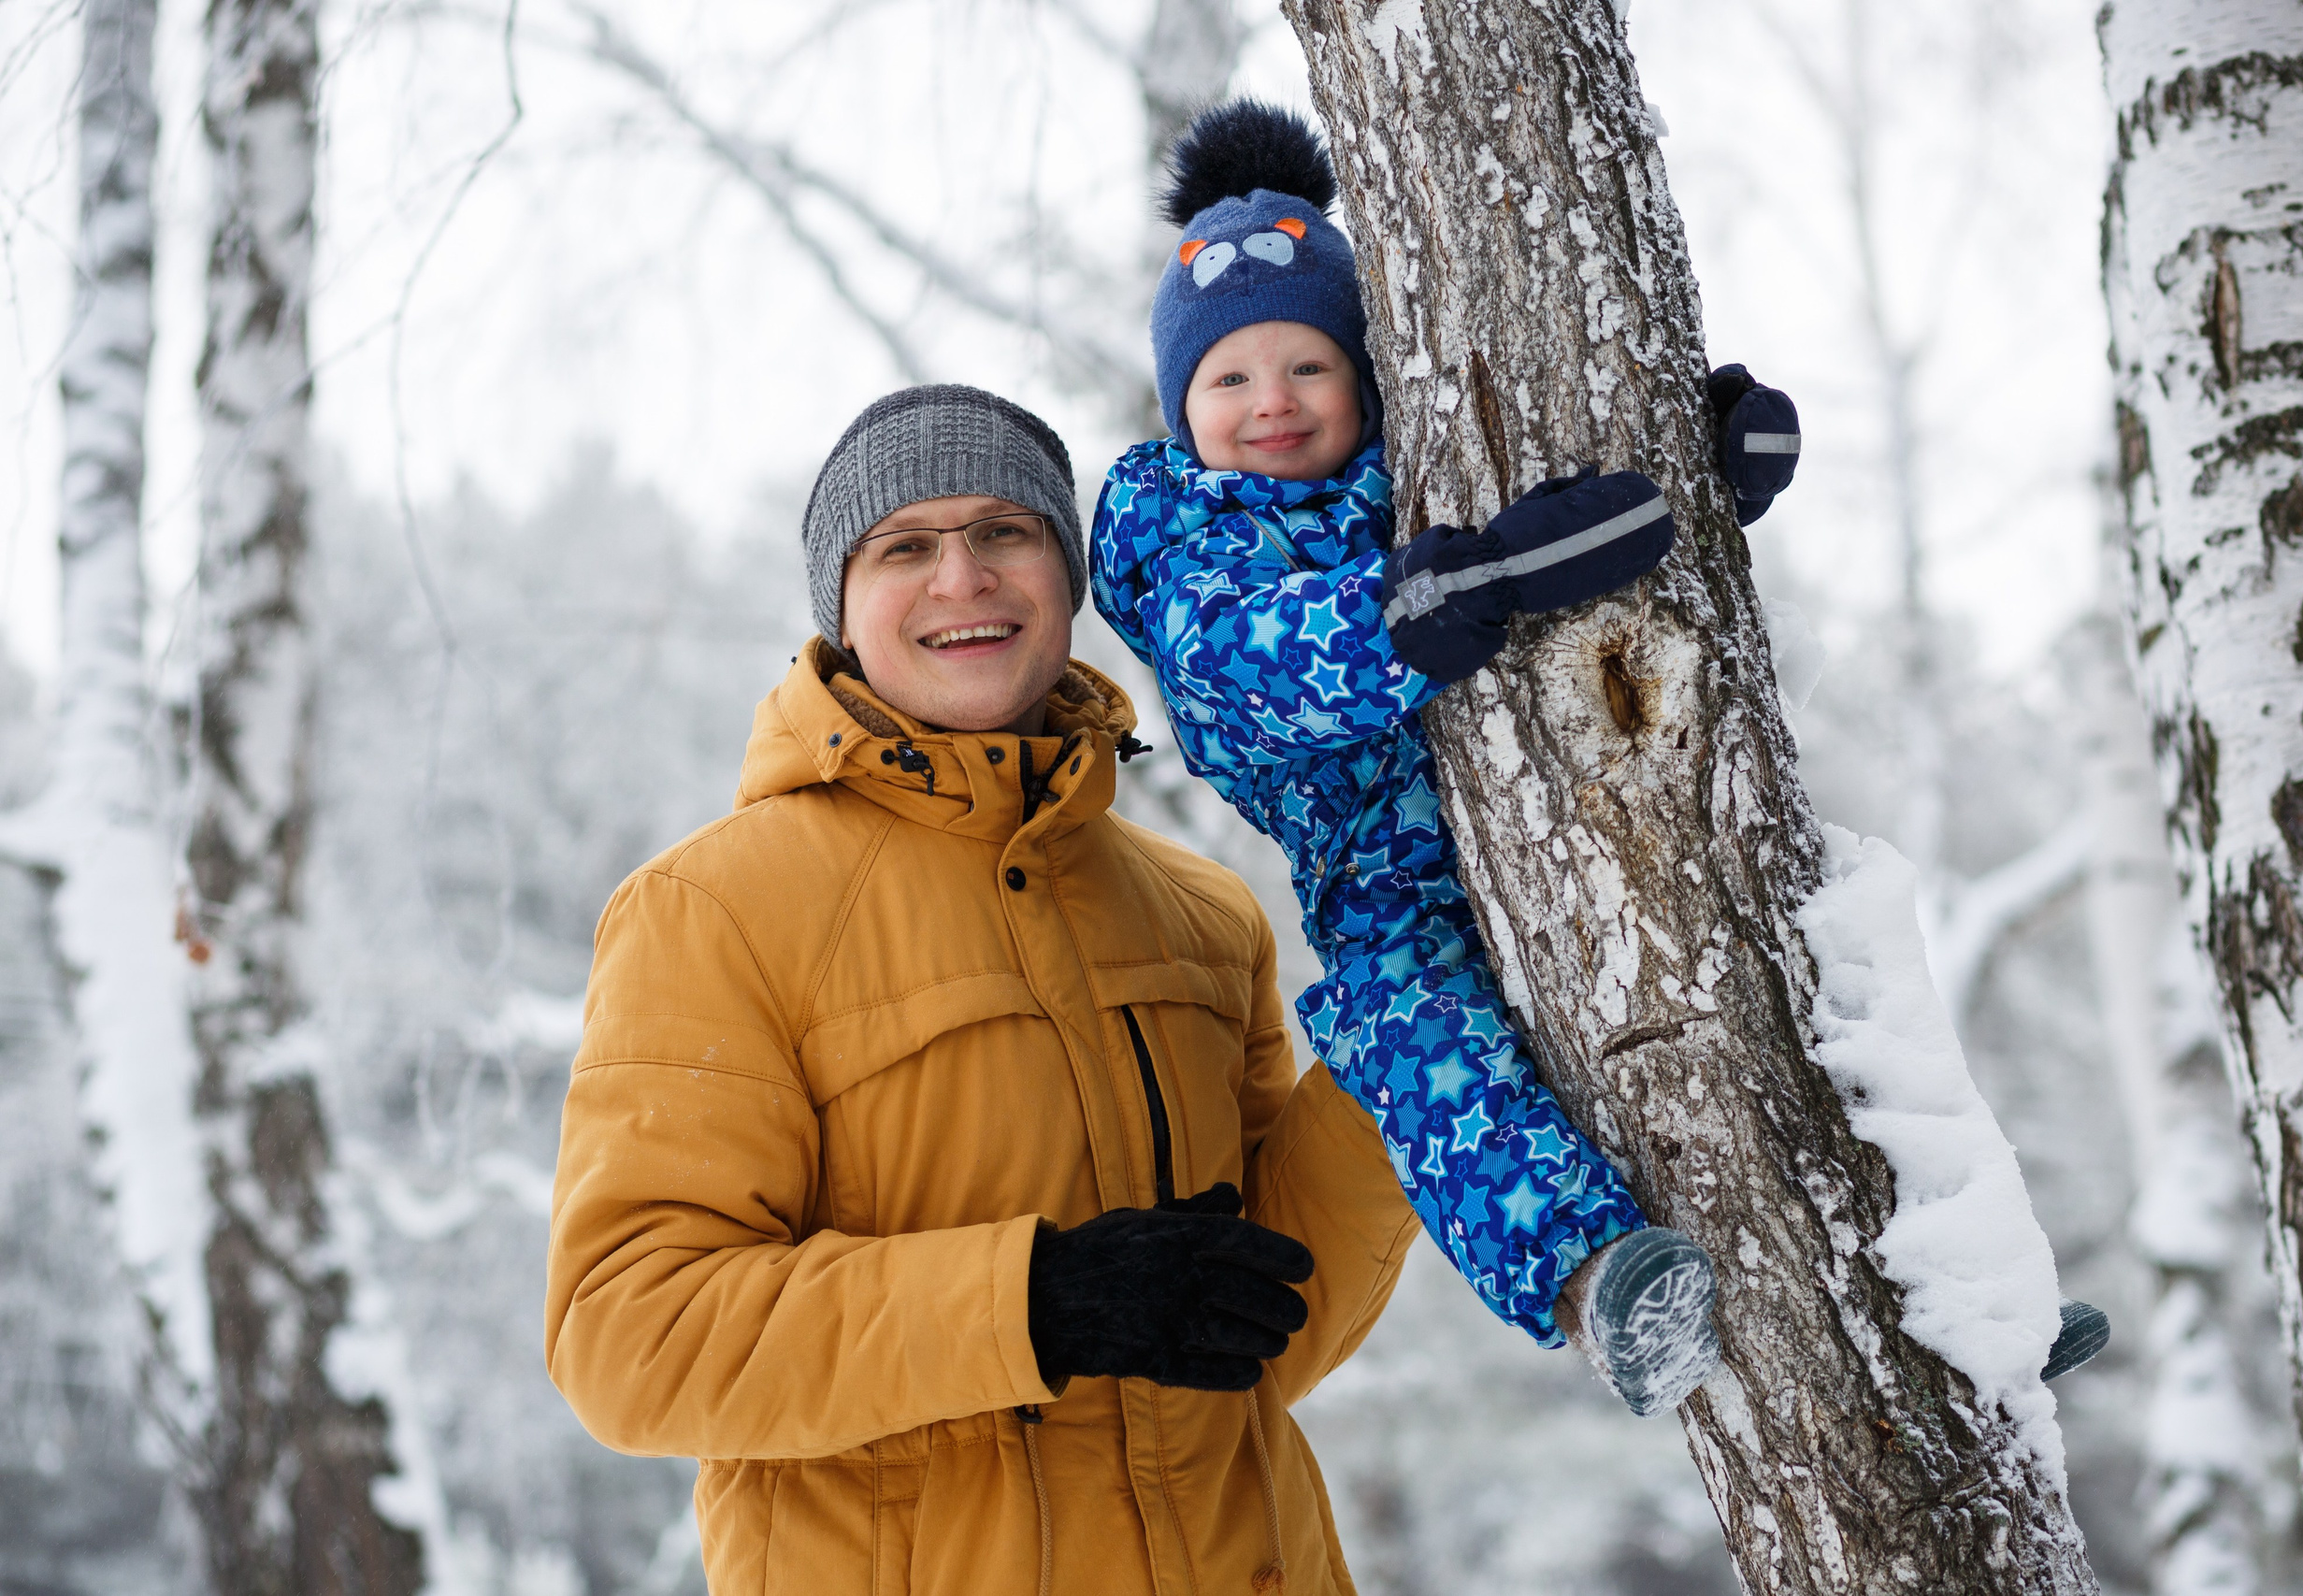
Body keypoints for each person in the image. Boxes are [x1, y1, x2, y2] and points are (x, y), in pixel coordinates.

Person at [1090, 101, 2109, 1411]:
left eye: (1306, 368)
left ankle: (1981, 1289)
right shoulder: (1187, 541)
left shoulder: (1419, 465)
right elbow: (1255, 665)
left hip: (1569, 806)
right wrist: (1446, 599)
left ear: (1364, 375)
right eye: (1228, 379)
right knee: (1407, 1035)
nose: (1270, 404)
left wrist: (1692, 472)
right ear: (1184, 406)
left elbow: (1570, 510)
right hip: (1388, 880)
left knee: (1814, 937)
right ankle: (1599, 1281)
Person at [545, 383, 1426, 1596]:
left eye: (1006, 533)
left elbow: (1267, 1318)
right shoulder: (712, 913)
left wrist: (1400, 1068)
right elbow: (630, 1334)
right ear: (841, 613)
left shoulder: (1200, 915)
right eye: (905, 547)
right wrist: (1034, 1302)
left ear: (1064, 580)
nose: (963, 578)